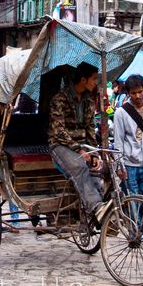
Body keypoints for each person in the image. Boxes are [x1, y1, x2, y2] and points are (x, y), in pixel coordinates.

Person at [48, 62, 107, 224]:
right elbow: (58, 131)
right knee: (80, 167)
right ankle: (97, 208)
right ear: (83, 79)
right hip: (59, 145)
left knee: (100, 169)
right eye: (94, 79)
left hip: (83, 145)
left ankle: (96, 215)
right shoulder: (60, 99)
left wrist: (94, 153)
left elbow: (90, 128)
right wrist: (80, 150)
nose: (96, 83)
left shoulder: (88, 101)